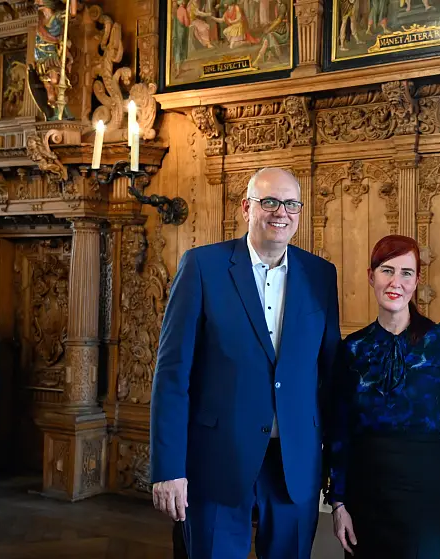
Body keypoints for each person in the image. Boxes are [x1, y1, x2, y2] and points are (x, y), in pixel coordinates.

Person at [150, 167, 341, 559]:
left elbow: (330, 376)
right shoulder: (202, 267)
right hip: (217, 460)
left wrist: (335, 470)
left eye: (291, 204)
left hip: (294, 464)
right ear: (246, 208)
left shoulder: (320, 275)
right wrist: (169, 468)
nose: (281, 212)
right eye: (269, 201)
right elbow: (172, 376)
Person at [327, 234, 440, 559]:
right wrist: (338, 502)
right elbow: (339, 430)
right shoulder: (352, 348)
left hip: (425, 488)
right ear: (371, 276)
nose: (396, 282)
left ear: (417, 281)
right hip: (365, 487)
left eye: (406, 273)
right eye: (387, 270)